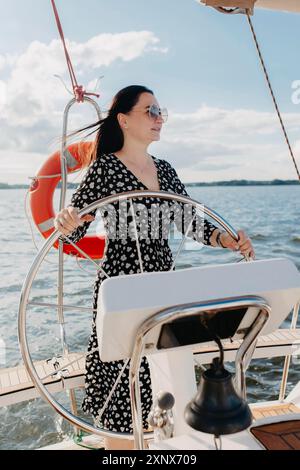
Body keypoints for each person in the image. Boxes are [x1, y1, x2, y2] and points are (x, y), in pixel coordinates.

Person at [54, 85, 255, 449]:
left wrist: (226, 239)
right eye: (150, 110)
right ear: (124, 120)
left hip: (165, 290)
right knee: (120, 387)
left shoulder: (165, 169)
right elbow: (74, 230)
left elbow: (191, 221)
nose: (159, 117)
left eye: (161, 110)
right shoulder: (105, 168)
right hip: (121, 289)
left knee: (167, 379)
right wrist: (66, 219)